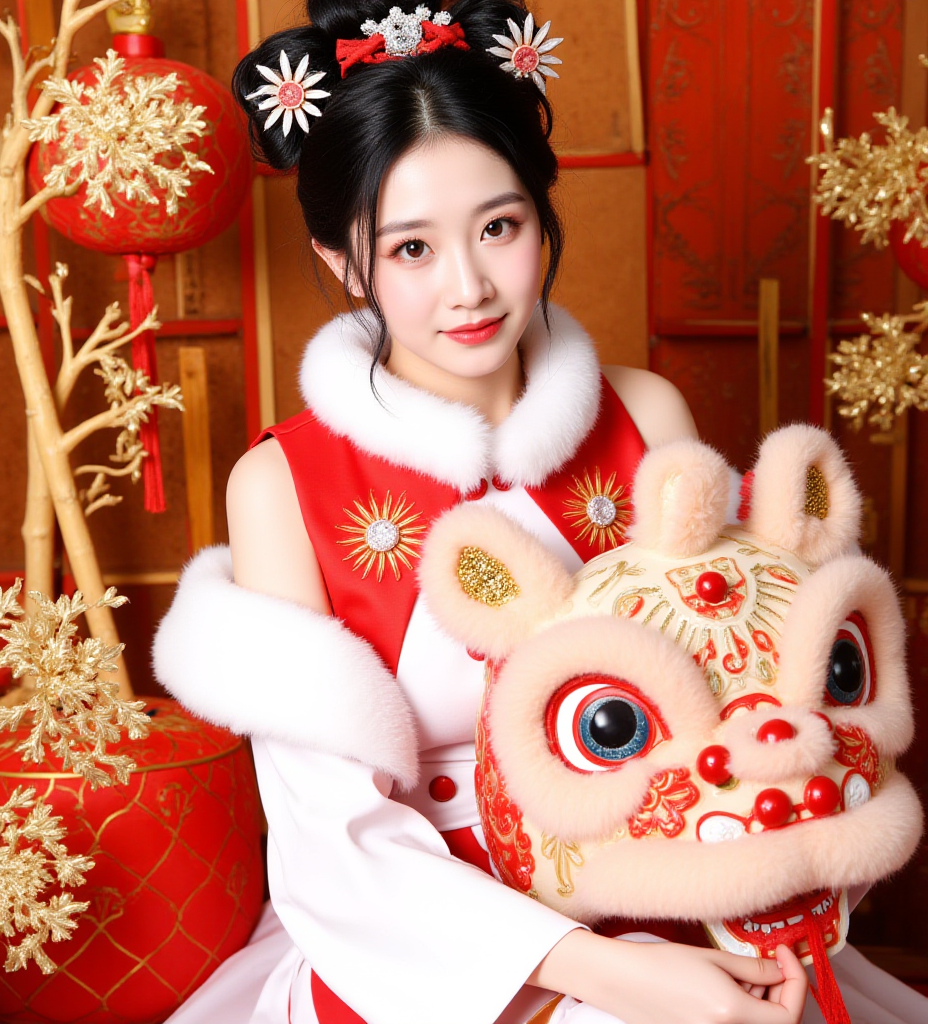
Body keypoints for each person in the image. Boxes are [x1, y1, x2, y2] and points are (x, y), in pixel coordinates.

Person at [154, 2, 813, 1022]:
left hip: (672, 881)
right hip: (430, 948)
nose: (468, 288)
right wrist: (600, 973)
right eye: (411, 249)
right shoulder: (281, 484)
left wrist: (741, 919)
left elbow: (743, 699)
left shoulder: (644, 417)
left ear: (541, 214)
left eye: (498, 227)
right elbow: (332, 836)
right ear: (341, 260)